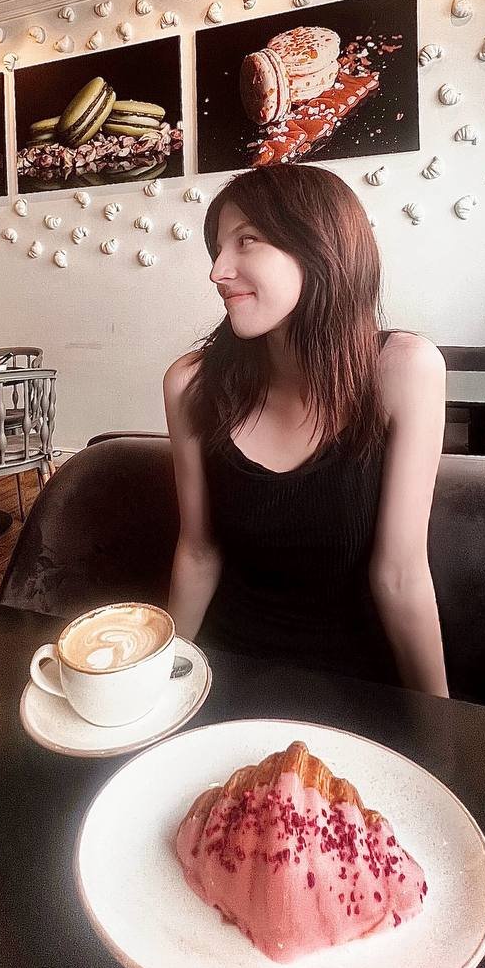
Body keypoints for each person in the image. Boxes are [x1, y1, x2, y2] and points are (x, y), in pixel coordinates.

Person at [163, 164, 449, 695]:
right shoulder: (191, 384)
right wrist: (161, 677)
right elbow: (199, 551)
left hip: (355, 683)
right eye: (218, 248)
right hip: (224, 669)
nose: (217, 271)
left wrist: (442, 726)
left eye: (247, 240)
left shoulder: (404, 370)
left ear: (320, 247)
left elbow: (400, 574)